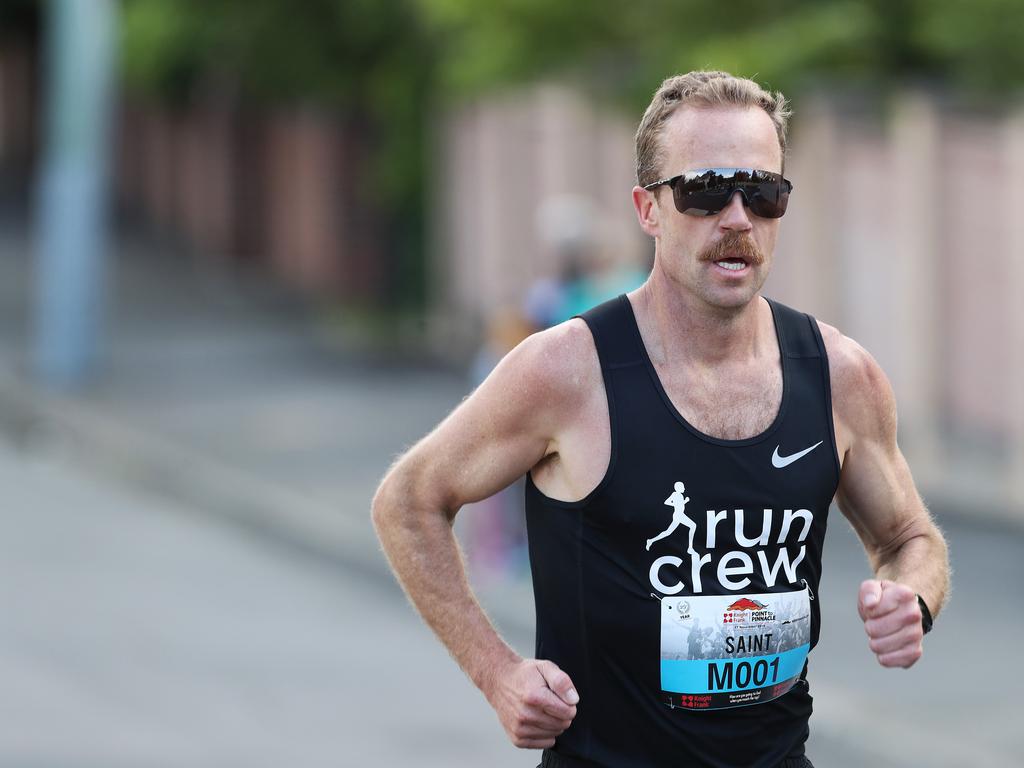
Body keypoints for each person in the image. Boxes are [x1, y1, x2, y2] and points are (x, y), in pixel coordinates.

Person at [372, 70, 950, 768]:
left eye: (762, 193)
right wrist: (497, 674)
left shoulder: (840, 375)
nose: (737, 219)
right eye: (705, 191)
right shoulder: (567, 372)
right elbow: (407, 501)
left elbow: (911, 536)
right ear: (648, 210)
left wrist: (913, 596)